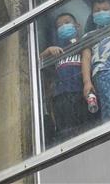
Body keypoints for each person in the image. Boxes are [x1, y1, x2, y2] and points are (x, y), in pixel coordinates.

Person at [40, 13, 91, 141]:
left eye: (67, 22)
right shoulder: (57, 51)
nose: (63, 27)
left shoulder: (82, 44)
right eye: (59, 26)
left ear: (77, 25)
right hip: (61, 97)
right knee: (66, 134)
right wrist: (48, 51)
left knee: (85, 129)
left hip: (80, 93)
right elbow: (34, 65)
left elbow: (87, 60)